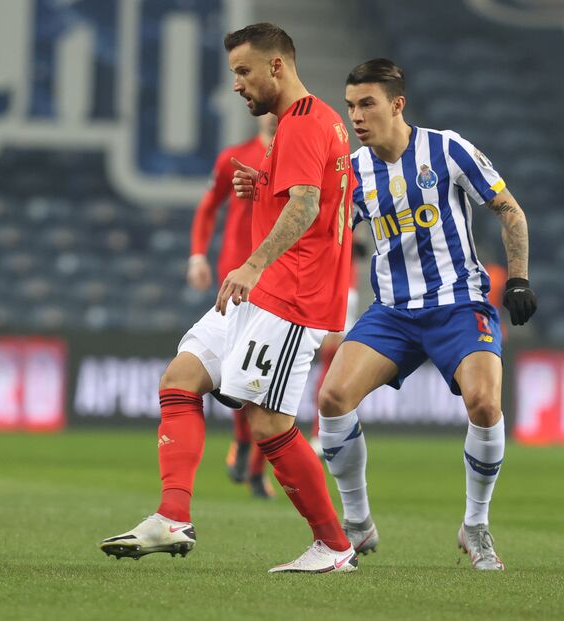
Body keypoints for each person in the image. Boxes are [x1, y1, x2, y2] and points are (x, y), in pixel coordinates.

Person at [101, 23, 358, 574]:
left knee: (267, 426)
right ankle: (173, 516)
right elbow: (306, 195)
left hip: (289, 296)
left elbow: (309, 206)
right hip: (261, 292)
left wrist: (253, 262)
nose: (237, 84)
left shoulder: (308, 123)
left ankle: (335, 547)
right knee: (180, 377)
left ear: (276, 66)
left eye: (243, 72)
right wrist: (260, 187)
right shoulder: (304, 122)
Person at [314, 59, 537, 571]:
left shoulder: (447, 148)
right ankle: (357, 524)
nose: (356, 117)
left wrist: (519, 278)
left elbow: (509, 209)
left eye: (366, 104)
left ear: (397, 104)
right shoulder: (354, 170)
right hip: (392, 310)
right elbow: (330, 239)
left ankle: (475, 526)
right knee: (332, 397)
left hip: (459, 304)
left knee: (484, 403)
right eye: (350, 106)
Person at [188, 113, 278, 499]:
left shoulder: (298, 158)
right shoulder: (234, 158)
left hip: (276, 277)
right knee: (236, 372)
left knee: (264, 379)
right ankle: (246, 448)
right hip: (236, 276)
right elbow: (208, 206)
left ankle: (253, 461)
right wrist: (197, 256)